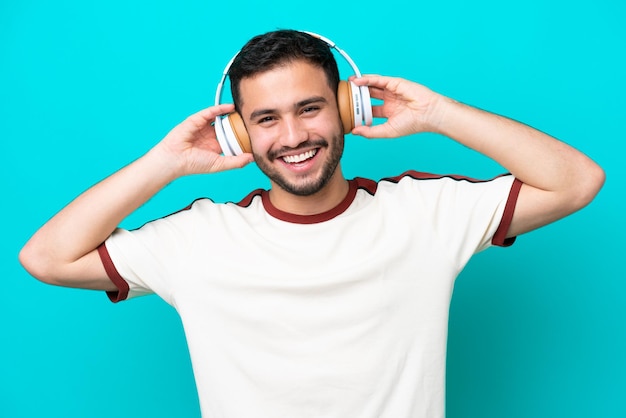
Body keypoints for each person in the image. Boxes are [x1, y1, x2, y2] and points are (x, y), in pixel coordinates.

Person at [19, 29, 604, 417]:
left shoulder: (426, 211)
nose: (294, 136)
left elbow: (576, 181)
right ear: (239, 134)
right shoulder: (200, 238)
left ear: (347, 108)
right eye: (265, 119)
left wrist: (437, 114)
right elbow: (46, 258)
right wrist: (165, 163)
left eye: (310, 108)